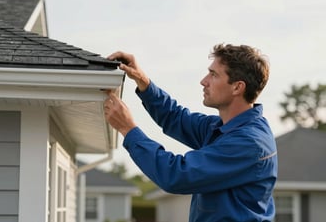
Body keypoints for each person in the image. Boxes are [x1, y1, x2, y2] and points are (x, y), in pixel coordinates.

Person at [104, 44, 278, 222]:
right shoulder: (223, 129)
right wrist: (143, 81)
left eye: (214, 75)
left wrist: (128, 129)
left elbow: (176, 175)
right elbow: (175, 118)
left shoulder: (249, 143)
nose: (204, 81)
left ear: (237, 88)